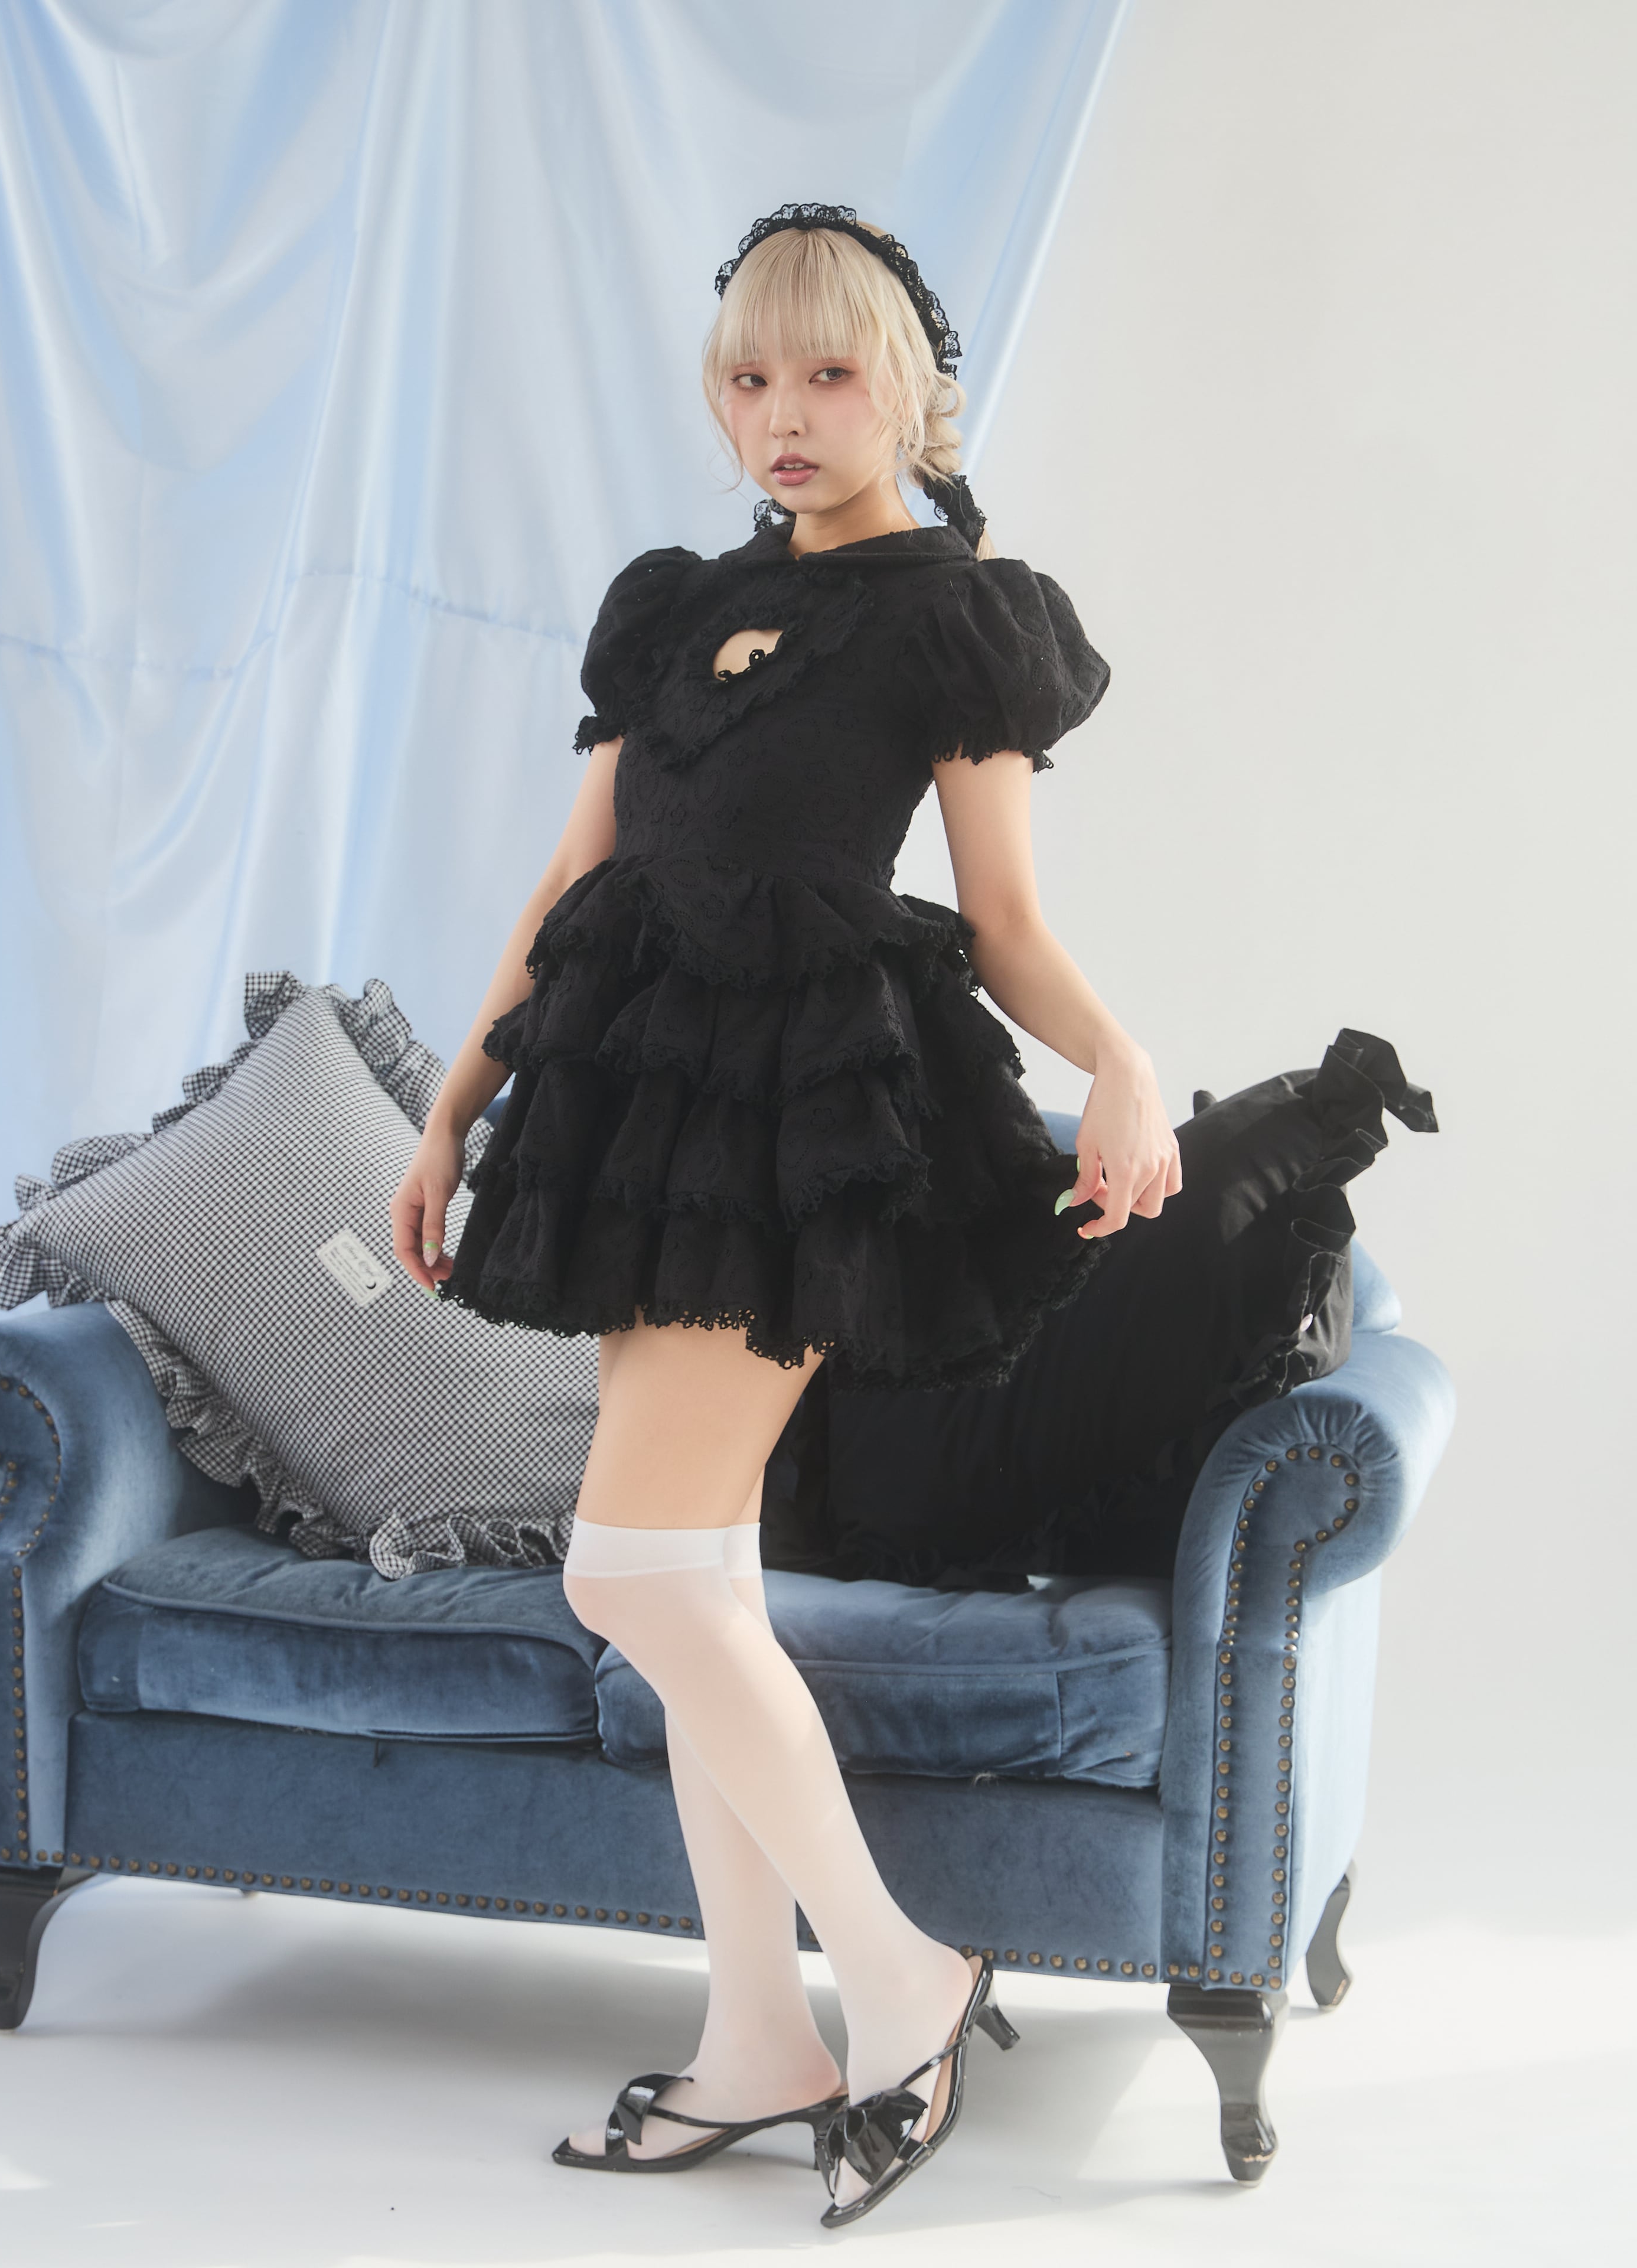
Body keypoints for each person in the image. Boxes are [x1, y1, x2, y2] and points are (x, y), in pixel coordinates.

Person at [390, 201, 1181, 2229]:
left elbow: (1004, 923)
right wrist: (455, 1106)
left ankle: (905, 1978)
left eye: (829, 375)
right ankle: (757, 2035)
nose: (786, 416)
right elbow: (572, 886)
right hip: (633, 1108)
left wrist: (1122, 1056)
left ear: (907, 385)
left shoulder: (959, 619)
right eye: (751, 379)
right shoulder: (676, 610)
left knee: (630, 1576)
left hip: (804, 1124)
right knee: (697, 1587)